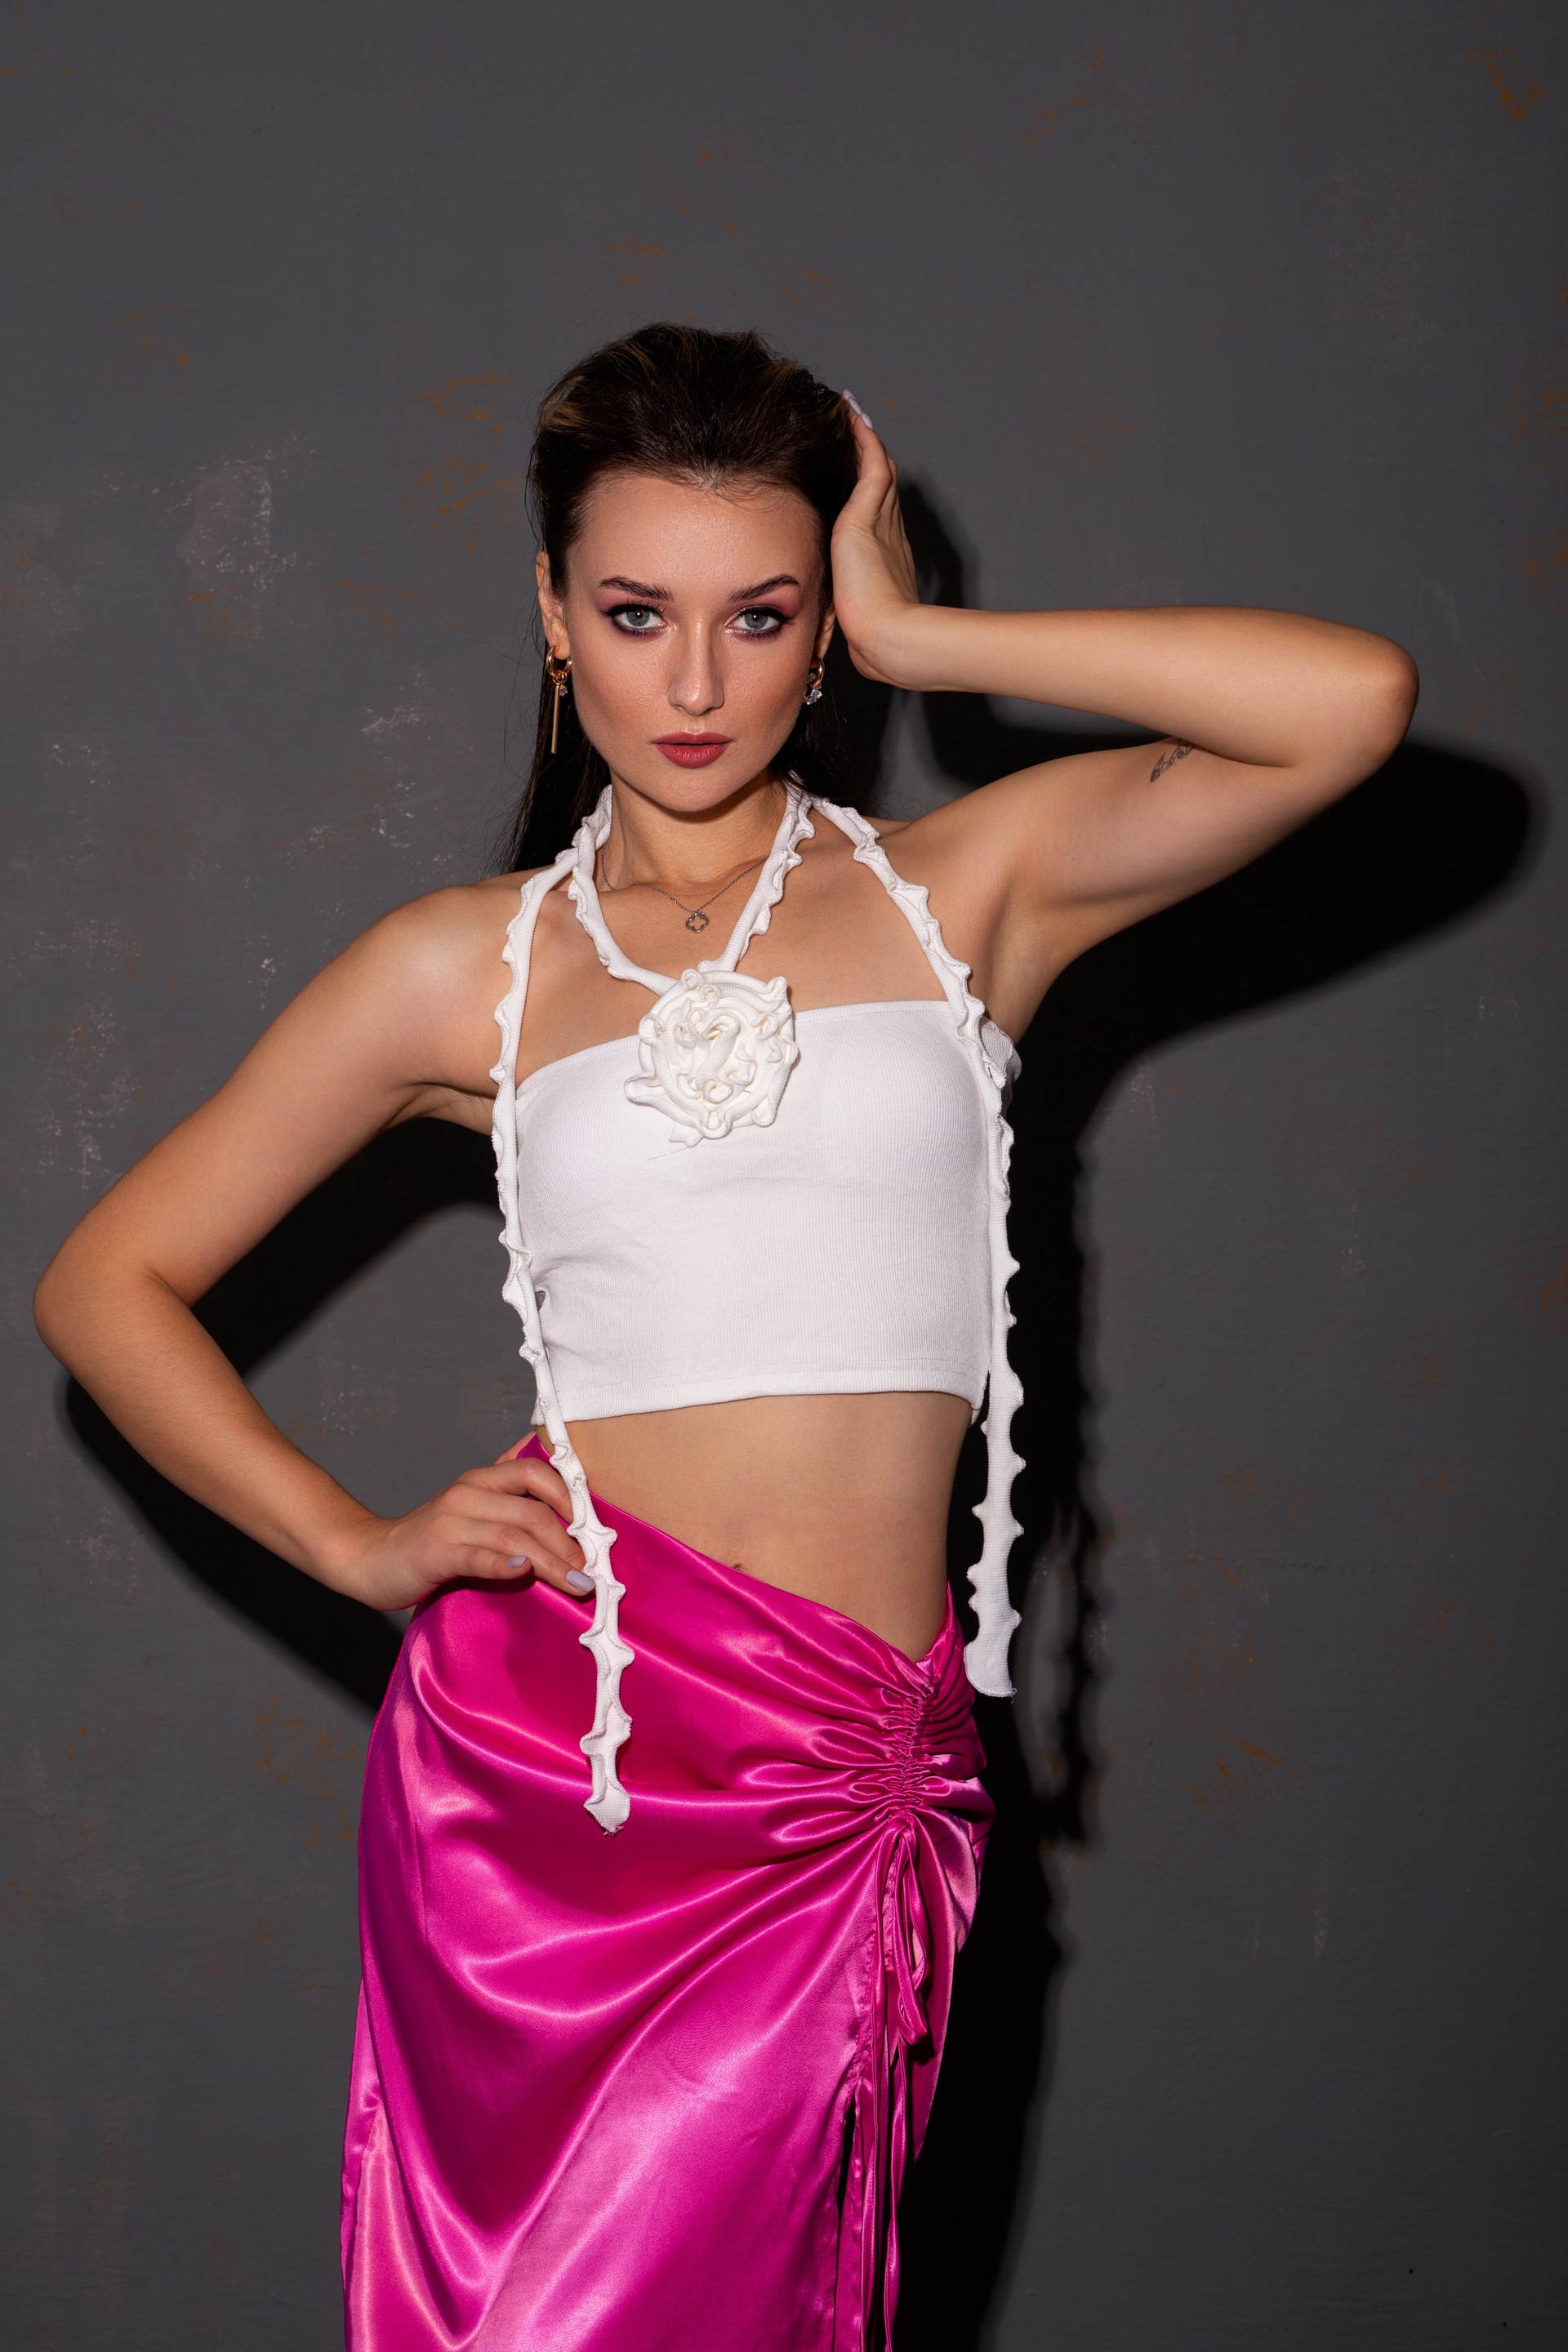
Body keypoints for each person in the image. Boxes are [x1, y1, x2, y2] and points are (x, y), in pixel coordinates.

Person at [33, 323, 1417, 2350]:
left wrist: (930, 640)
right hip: (565, 1761)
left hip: (842, 1766)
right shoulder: (463, 967)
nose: (693, 685)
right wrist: (353, 1544)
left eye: (758, 617)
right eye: (635, 614)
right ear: (551, 613)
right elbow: (105, 1283)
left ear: (819, 627)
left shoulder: (971, 890)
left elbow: (1350, 704)